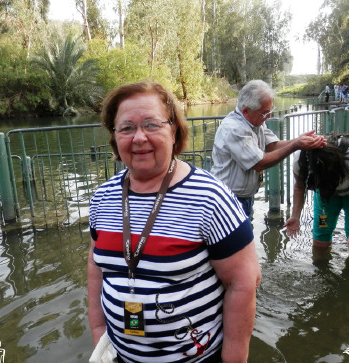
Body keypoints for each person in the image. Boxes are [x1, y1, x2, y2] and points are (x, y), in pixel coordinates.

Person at [87, 80, 261, 363]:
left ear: (174, 130)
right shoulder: (103, 197)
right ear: (115, 136)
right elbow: (96, 267)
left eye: (151, 124)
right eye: (127, 128)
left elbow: (243, 283)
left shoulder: (210, 197)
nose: (139, 137)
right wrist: (99, 334)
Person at [210, 79, 326, 217]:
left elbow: (272, 146)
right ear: (246, 111)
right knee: (235, 238)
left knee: (245, 235)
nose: (269, 116)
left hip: (243, 197)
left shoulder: (255, 121)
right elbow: (259, 163)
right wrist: (296, 145)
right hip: (227, 199)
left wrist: (300, 140)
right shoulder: (233, 128)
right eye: (264, 113)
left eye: (270, 111)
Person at [283, 133, 349, 278]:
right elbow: (299, 187)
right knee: (322, 227)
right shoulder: (301, 159)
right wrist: (295, 216)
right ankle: (320, 269)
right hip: (326, 192)